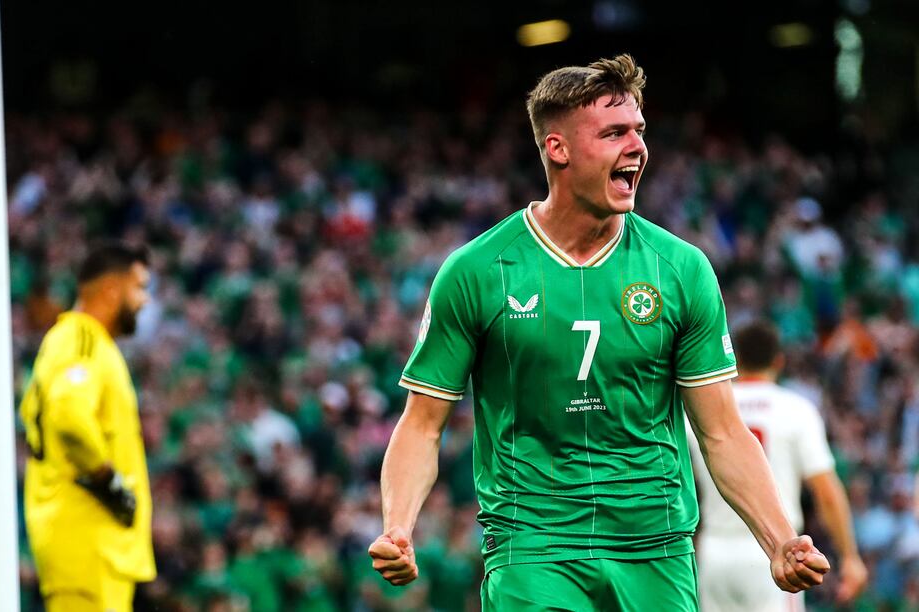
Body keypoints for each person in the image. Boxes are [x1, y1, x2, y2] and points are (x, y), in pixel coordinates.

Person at [368, 54, 830, 610]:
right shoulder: (477, 272)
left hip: (655, 549)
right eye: (614, 133)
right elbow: (421, 425)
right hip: (533, 547)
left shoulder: (680, 269)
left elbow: (722, 431)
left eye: (639, 131)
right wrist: (398, 526)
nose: (637, 148)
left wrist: (779, 540)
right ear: (557, 149)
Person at [691, 321, 868, 611]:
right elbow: (825, 492)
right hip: (776, 549)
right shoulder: (795, 410)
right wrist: (850, 556)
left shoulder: (704, 411)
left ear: (734, 359)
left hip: (714, 550)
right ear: (779, 361)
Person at [20, 242, 156, 612]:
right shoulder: (79, 339)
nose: (144, 301)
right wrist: (107, 479)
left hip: (97, 548)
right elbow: (69, 415)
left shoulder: (91, 344)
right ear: (111, 290)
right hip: (83, 541)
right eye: (139, 287)